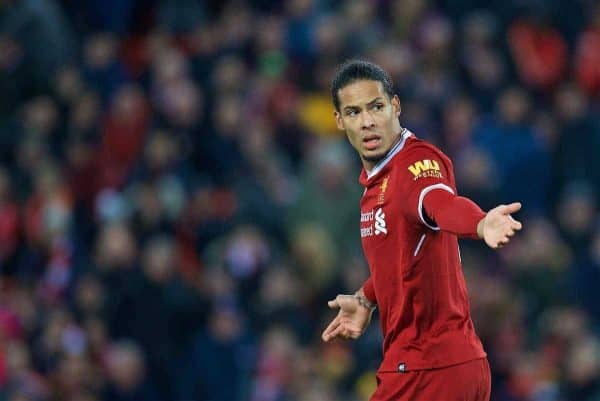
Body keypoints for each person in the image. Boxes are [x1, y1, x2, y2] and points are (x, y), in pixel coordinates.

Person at [321, 60, 523, 401]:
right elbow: (405, 256)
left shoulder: (416, 165)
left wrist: (479, 222)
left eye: (377, 107)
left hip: (427, 370)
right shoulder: (378, 182)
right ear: (340, 121)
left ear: (395, 106)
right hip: (447, 366)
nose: (368, 122)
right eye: (354, 112)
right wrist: (368, 298)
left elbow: (441, 203)